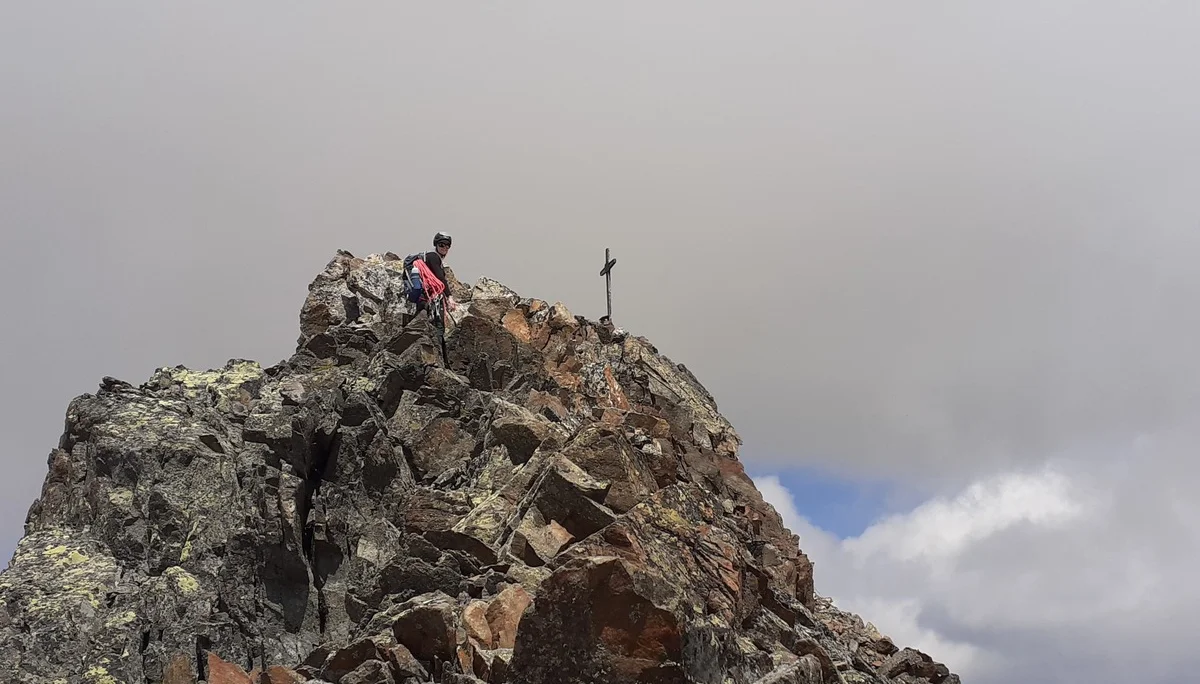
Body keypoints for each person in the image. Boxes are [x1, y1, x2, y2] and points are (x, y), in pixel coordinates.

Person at [410, 232, 458, 365]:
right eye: (441, 245)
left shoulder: (429, 258)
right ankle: (439, 362)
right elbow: (440, 279)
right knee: (438, 328)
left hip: (424, 298)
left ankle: (430, 360)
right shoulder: (433, 257)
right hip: (431, 299)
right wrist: (450, 297)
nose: (444, 248)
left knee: (425, 326)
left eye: (447, 246)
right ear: (436, 245)